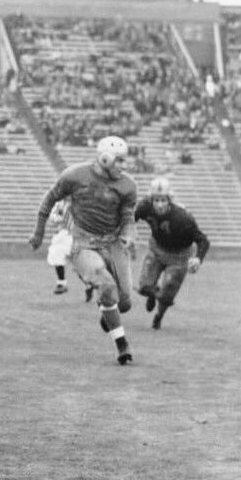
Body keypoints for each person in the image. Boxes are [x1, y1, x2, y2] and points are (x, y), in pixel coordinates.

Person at [29, 135, 138, 365]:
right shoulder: (75, 175)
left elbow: (128, 217)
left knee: (125, 302)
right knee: (107, 287)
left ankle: (108, 311)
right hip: (84, 242)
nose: (123, 166)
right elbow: (49, 199)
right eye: (119, 160)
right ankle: (122, 345)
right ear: (105, 158)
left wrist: (128, 234)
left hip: (113, 242)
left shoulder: (128, 185)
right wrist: (39, 232)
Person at [135, 177, 210, 330]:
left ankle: (159, 316)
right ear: (151, 199)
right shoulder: (144, 207)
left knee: (167, 293)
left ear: (170, 200)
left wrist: (197, 259)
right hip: (157, 250)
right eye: (156, 200)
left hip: (179, 257)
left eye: (163, 200)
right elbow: (130, 218)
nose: (159, 204)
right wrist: (128, 234)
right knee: (144, 286)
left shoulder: (183, 218)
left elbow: (203, 240)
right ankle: (151, 294)